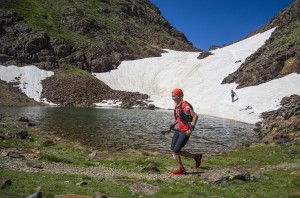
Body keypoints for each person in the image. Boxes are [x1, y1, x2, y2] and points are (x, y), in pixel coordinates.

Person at [169, 88, 202, 175]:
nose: (172, 98)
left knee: (176, 151)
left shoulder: (185, 106)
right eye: (172, 96)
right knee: (173, 149)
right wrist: (171, 126)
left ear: (180, 96)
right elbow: (177, 119)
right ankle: (181, 168)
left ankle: (196, 156)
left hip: (185, 131)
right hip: (178, 130)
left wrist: (191, 129)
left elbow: (195, 116)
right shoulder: (176, 106)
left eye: (174, 96)